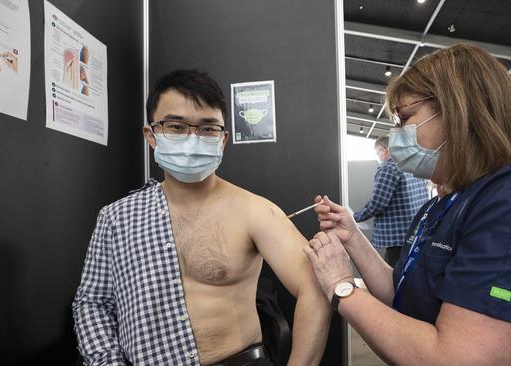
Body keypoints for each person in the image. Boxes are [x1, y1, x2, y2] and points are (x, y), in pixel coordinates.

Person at [305, 44, 511, 365]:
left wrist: (343, 288)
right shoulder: (442, 206)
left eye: (406, 117)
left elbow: (457, 358)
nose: (396, 135)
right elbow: (402, 293)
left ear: (458, 111)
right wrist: (353, 237)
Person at [72, 69, 331, 365]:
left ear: (223, 140)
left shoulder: (255, 211)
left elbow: (314, 286)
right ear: (151, 135)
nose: (192, 139)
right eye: (176, 126)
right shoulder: (117, 218)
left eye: (208, 129)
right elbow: (92, 303)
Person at [353, 135, 429, 267]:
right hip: (416, 233)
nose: (378, 156)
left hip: (396, 238)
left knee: (393, 277)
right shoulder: (412, 166)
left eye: (378, 152)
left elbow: (377, 203)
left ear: (386, 149)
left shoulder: (389, 169)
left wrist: (354, 218)